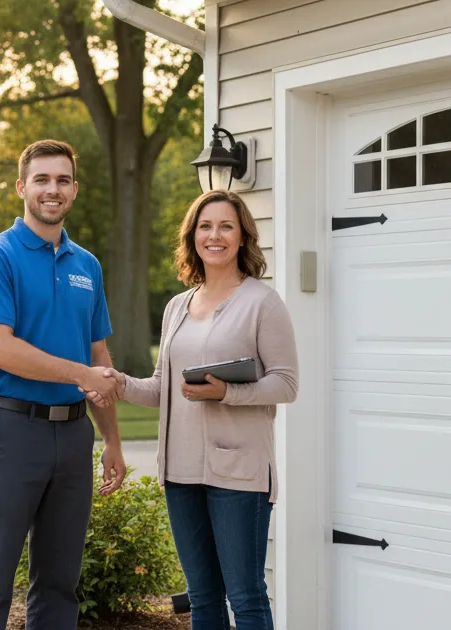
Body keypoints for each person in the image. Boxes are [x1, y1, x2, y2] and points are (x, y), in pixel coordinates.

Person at [85, 189, 298, 630]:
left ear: (242, 238)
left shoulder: (263, 302)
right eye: (205, 226)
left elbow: (287, 384)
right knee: (202, 599)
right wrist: (120, 385)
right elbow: (164, 387)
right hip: (181, 473)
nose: (214, 235)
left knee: (246, 597)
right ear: (192, 236)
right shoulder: (177, 307)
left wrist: (227, 393)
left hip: (240, 474)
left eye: (225, 226)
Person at [0, 139, 128, 630]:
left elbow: (97, 355)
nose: (53, 189)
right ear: (21, 187)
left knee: (59, 583)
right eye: (42, 179)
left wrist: (112, 438)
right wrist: (79, 374)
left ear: (74, 189)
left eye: (63, 180)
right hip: (11, 432)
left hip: (75, 437)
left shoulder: (87, 266)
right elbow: (0, 349)